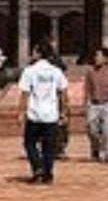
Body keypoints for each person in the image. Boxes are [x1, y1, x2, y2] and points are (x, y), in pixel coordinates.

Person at [18, 42, 69, 184]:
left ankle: (37, 168)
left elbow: (25, 94)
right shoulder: (56, 71)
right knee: (49, 146)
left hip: (35, 113)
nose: (32, 54)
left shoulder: (30, 71)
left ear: (38, 53)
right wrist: (64, 112)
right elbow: (63, 93)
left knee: (30, 143)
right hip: (51, 114)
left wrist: (21, 112)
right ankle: (48, 173)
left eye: (34, 51)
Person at [84, 47, 108, 163]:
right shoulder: (90, 72)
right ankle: (96, 148)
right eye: (96, 56)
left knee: (107, 130)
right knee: (91, 128)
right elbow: (87, 89)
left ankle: (107, 154)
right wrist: (86, 103)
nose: (96, 58)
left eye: (99, 56)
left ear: (106, 58)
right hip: (94, 104)